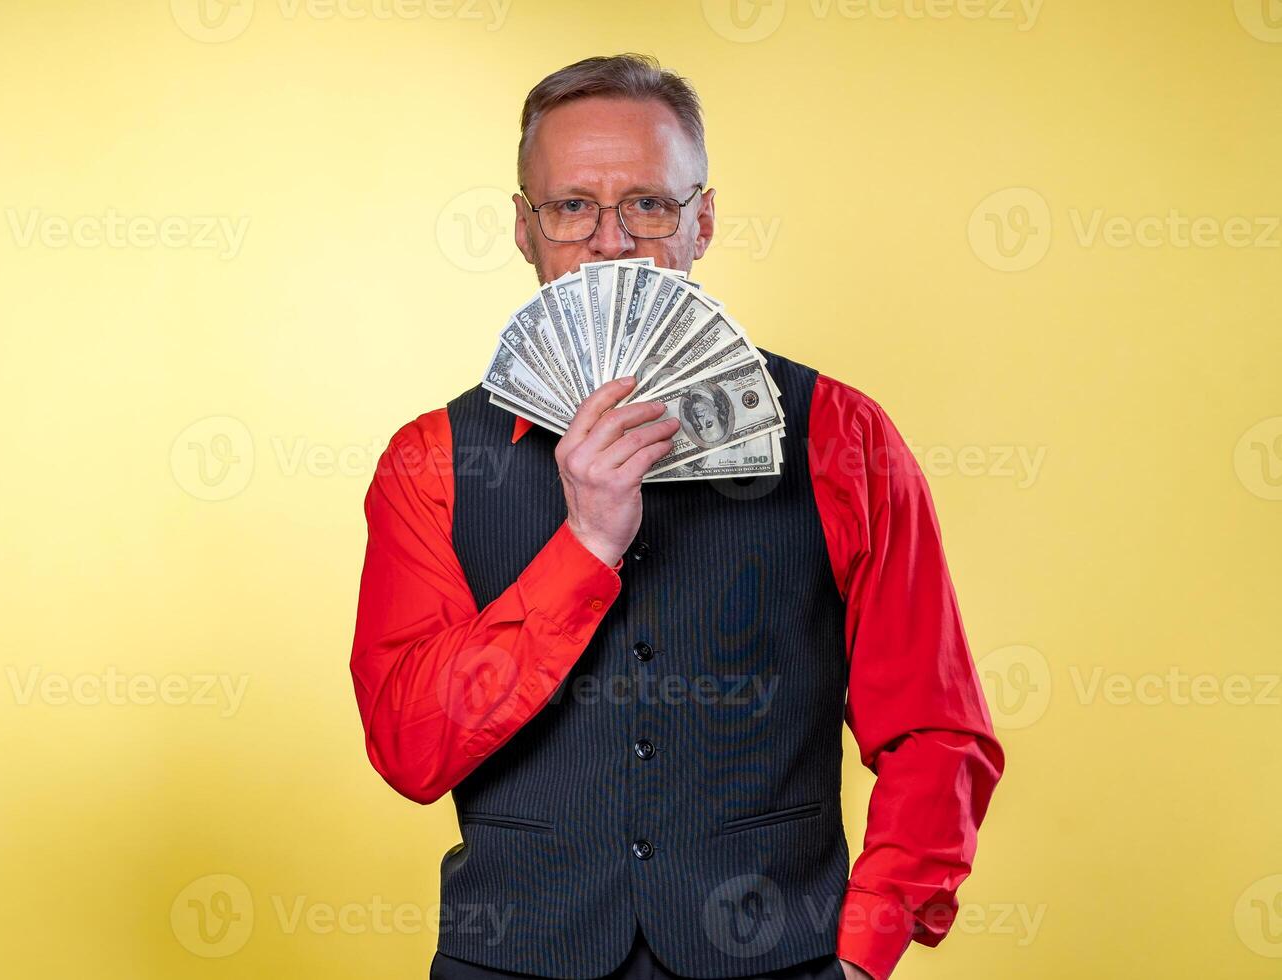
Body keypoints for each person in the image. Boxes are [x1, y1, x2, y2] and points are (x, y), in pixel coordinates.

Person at [350, 53, 1004, 980]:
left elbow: (937, 732)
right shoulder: (431, 462)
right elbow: (411, 749)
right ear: (525, 230)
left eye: (649, 204)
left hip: (781, 962)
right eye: (572, 206)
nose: (612, 243)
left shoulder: (841, 439)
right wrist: (583, 547)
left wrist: (864, 950)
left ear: (703, 219)